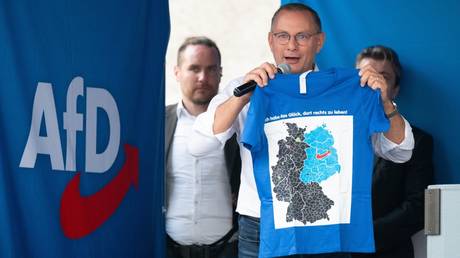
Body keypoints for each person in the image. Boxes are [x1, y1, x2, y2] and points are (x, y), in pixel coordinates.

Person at [192, 4, 414, 258]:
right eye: (282, 36)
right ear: (271, 40)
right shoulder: (245, 87)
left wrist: (385, 102)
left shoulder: (351, 90)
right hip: (262, 226)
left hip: (328, 223)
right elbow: (199, 146)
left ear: (319, 42)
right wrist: (241, 97)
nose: (291, 46)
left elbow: (401, 152)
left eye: (302, 36)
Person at [352, 45, 434, 258]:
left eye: (383, 77)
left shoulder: (419, 141)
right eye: (367, 75)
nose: (374, 83)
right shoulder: (330, 137)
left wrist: (363, 235)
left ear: (395, 89)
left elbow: (419, 208)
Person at [165, 36, 240, 258]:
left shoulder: (238, 123)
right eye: (194, 68)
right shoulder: (159, 123)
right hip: (169, 248)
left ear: (220, 73)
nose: (202, 77)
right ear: (177, 72)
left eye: (211, 69)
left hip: (228, 248)